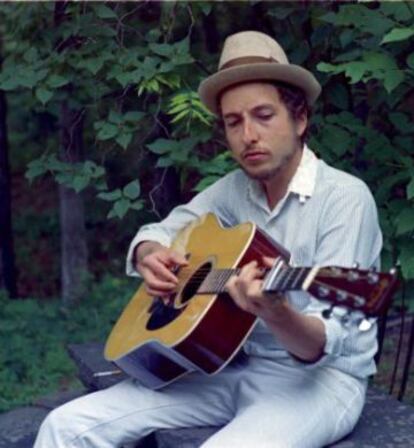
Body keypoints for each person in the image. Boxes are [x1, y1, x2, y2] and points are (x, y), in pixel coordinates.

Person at [34, 30, 382, 448]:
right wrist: (151, 253)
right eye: (234, 122)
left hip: (320, 383)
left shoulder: (344, 198)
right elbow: (165, 230)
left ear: (300, 119)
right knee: (64, 425)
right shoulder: (234, 191)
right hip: (230, 366)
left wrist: (276, 313)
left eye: (264, 115)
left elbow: (325, 344)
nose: (248, 135)